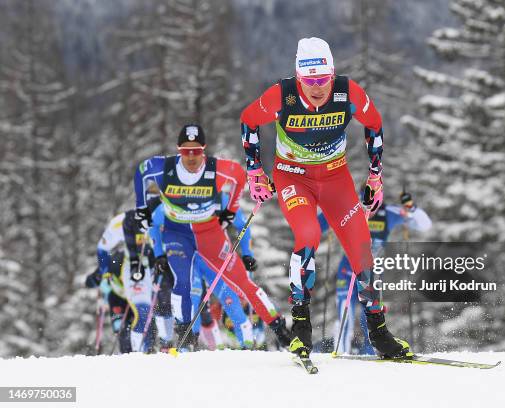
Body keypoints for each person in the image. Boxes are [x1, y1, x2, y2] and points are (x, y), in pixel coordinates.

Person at [239, 37, 413, 359]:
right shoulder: (283, 95)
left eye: (323, 80)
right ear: (298, 77)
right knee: (308, 235)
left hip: (335, 178)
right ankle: (301, 328)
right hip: (293, 178)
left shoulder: (348, 93)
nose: (317, 88)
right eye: (309, 81)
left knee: (362, 248)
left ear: (332, 75)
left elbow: (374, 124)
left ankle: (379, 333)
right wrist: (255, 171)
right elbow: (249, 120)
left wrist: (375, 176)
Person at [133, 124, 292, 350]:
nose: (191, 156)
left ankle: (280, 329)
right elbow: (141, 172)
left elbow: (239, 176)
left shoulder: (216, 171)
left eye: (196, 151)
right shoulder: (164, 168)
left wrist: (231, 211)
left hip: (210, 235)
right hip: (177, 234)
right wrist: (141, 210)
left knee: (240, 283)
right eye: (185, 151)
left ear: (204, 150)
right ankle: (185, 338)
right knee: (184, 284)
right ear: (178, 150)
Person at [319, 190, 432, 354]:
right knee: (345, 318)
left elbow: (424, 225)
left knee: (370, 319)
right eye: (365, 198)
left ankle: (370, 355)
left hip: (370, 274)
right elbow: (317, 224)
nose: (369, 203)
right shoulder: (351, 210)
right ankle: (342, 353)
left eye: (374, 198)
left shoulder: (389, 213)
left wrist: (411, 208)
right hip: (348, 272)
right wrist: (326, 205)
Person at [149, 194, 256, 350]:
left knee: (230, 299)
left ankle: (247, 346)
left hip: (215, 257)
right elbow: (154, 224)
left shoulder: (220, 197)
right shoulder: (176, 197)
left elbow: (242, 224)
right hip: (191, 258)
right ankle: (188, 346)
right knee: (192, 298)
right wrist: (159, 254)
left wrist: (247, 254)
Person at [85, 206, 171, 353]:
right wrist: (101, 274)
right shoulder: (116, 257)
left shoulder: (161, 217)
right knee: (122, 329)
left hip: (144, 280)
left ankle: (148, 352)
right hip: (121, 292)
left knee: (147, 318)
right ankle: (129, 356)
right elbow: (101, 253)